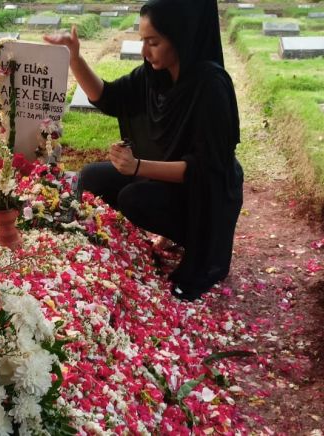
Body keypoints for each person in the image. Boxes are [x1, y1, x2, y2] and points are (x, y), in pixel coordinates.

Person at [44, 0, 243, 301]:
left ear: (182, 37)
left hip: (207, 195)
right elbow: (109, 98)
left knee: (134, 198)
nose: (145, 52)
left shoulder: (211, 86)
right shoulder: (154, 75)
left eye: (154, 42)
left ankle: (190, 237)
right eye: (143, 41)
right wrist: (75, 58)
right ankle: (131, 244)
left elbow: (205, 169)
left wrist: (137, 167)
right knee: (92, 178)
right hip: (168, 181)